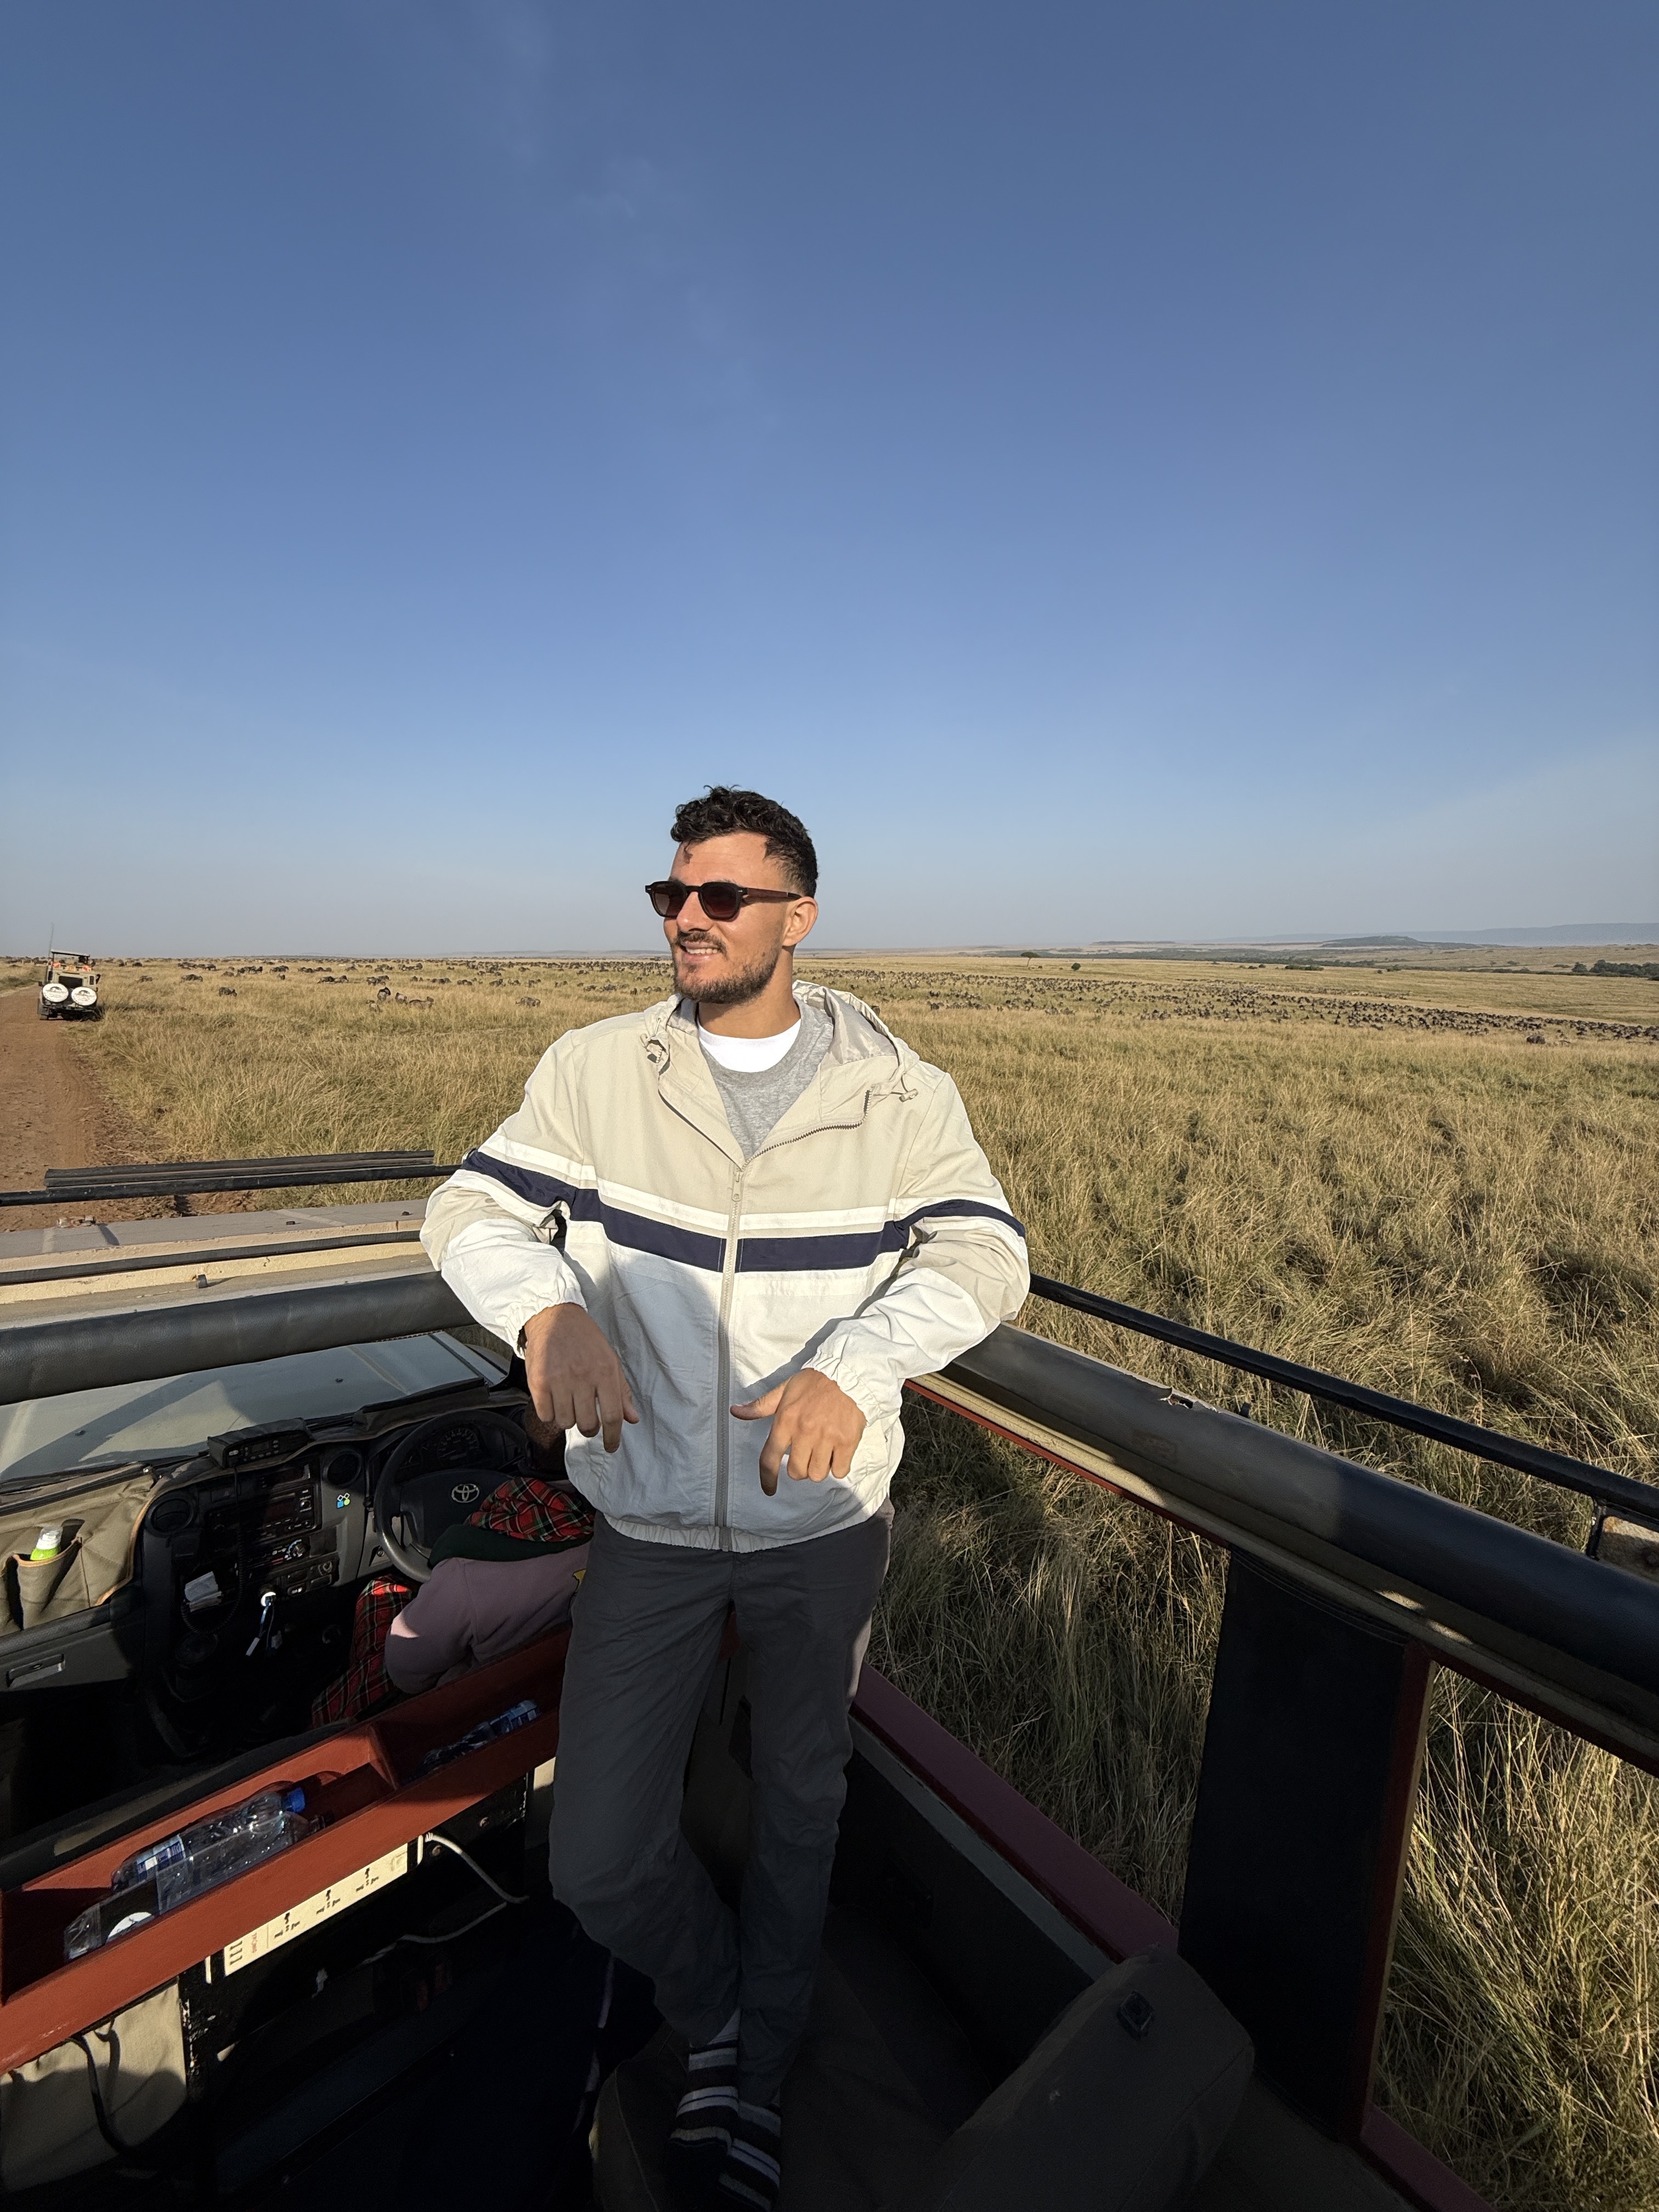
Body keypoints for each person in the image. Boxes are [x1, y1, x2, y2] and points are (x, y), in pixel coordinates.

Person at [421, 787, 1028, 2208]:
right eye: (670, 897)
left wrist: (859, 1367)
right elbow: (469, 1208)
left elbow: (988, 1251)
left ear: (797, 919)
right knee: (601, 1854)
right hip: (645, 1525)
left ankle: (752, 2081)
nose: (685, 919)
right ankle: (717, 2007)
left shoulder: (897, 1095)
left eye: (720, 899)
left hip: (821, 1525)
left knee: (803, 1804)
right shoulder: (598, 1072)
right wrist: (545, 1317)